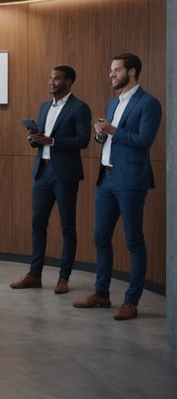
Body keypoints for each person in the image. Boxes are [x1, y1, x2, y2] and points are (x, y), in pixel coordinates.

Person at [72, 53, 161, 320]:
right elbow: (110, 139)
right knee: (100, 238)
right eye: (111, 70)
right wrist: (100, 135)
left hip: (131, 181)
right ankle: (101, 294)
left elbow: (145, 140)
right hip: (107, 179)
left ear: (131, 72)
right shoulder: (113, 102)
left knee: (133, 241)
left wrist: (112, 131)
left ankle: (131, 302)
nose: (111, 74)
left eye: (116, 70)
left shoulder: (149, 103)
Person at [10, 66, 90, 294]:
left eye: (57, 78)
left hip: (65, 175)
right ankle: (34, 275)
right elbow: (42, 138)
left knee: (67, 227)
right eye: (50, 78)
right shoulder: (44, 107)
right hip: (42, 172)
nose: (52, 82)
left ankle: (64, 278)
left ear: (69, 82)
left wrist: (52, 141)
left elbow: (83, 140)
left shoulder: (80, 108)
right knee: (37, 225)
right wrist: (34, 139)